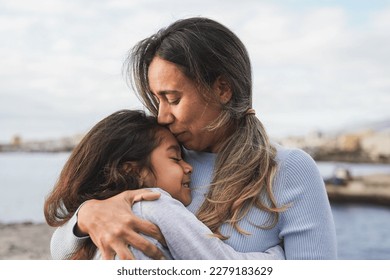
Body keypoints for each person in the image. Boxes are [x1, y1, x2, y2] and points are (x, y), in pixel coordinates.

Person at [50, 17, 337, 260]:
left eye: (172, 98)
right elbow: (59, 250)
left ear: (222, 89)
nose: (162, 116)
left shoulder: (288, 171)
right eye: (157, 99)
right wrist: (87, 216)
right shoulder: (158, 158)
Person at [44, 109, 285, 260]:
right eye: (175, 158)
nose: (189, 167)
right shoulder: (152, 203)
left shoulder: (100, 231)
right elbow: (219, 264)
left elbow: (61, 253)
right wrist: (276, 255)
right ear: (134, 171)